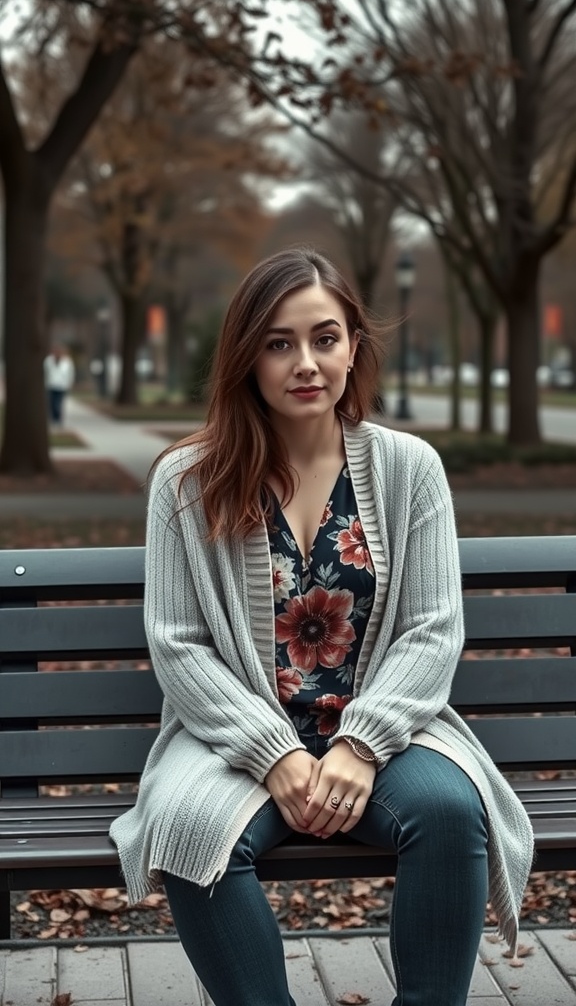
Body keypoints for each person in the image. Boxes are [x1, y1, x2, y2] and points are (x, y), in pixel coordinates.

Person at [109, 247, 533, 1006]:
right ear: (247, 356)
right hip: (234, 741)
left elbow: (432, 630)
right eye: (279, 343)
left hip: (383, 736)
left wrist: (361, 744)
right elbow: (178, 643)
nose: (306, 363)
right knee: (188, 828)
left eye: (325, 338)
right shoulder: (186, 480)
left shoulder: (410, 468)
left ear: (353, 347)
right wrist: (275, 755)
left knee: (447, 808)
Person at [44, 344, 75, 425]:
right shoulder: (48, 360)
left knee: (58, 403)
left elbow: (71, 373)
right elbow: (45, 373)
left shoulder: (67, 361)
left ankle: (57, 419)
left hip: (62, 386)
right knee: (52, 403)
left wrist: (70, 383)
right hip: (51, 385)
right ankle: (53, 418)